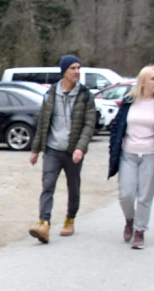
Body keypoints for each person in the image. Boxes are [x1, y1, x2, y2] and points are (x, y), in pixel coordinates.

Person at [28, 54, 96, 243]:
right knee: (47, 185)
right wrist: (35, 150)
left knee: (73, 187)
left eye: (78, 68)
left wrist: (80, 148)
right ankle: (44, 224)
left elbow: (89, 124)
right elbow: (43, 123)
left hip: (73, 150)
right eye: (72, 68)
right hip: (52, 149)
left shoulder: (85, 95)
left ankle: (70, 219)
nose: (77, 72)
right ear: (64, 71)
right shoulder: (50, 94)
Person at [107, 64, 154, 249]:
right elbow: (116, 127)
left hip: (151, 155)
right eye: (153, 78)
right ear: (143, 81)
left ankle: (139, 231)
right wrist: (112, 148)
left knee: (145, 196)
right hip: (128, 153)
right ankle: (129, 219)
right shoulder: (129, 101)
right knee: (126, 194)